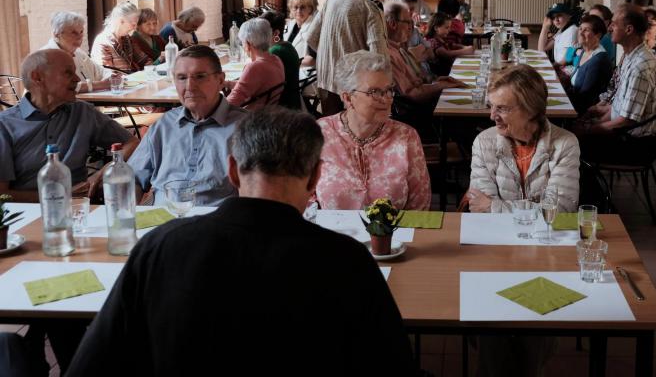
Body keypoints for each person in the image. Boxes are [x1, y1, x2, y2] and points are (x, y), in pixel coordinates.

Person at [68, 107, 416, 376]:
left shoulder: (160, 248)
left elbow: (93, 365)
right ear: (315, 178)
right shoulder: (348, 261)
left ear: (232, 171)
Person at [0, 50, 137, 202]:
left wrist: (102, 174)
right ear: (37, 77)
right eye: (68, 73)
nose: (77, 79)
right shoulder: (5, 126)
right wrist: (59, 198)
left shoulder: (82, 112)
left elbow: (131, 143)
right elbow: (2, 195)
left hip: (80, 209)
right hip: (24, 216)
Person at [128, 46, 246, 206]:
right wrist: (131, 215)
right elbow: (132, 177)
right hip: (160, 219)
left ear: (220, 80)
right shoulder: (164, 125)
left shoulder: (247, 128)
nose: (190, 86)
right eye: (182, 78)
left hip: (214, 222)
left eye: (200, 76)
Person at [315, 51, 431, 211]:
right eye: (375, 92)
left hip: (393, 235)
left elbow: (420, 204)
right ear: (348, 98)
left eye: (389, 90)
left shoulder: (406, 136)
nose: (387, 99)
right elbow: (304, 200)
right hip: (331, 234)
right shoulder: (318, 134)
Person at [466, 64, 580, 213]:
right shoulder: (483, 142)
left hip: (545, 235)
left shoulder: (565, 144)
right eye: (491, 106)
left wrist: (493, 206)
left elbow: (560, 210)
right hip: (498, 235)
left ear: (530, 109)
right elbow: (480, 209)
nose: (492, 116)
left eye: (502, 108)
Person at [575, 3, 656, 151]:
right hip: (623, 133)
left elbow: (625, 122)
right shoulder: (630, 57)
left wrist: (588, 129)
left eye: (614, 24)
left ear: (629, 30)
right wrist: (597, 115)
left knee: (570, 141)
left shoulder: (640, 67)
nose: (609, 28)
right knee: (574, 127)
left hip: (634, 144)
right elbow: (623, 109)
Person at [307, 0, 389, 116]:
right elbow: (379, 55)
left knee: (331, 130)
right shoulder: (371, 7)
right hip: (354, 83)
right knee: (354, 133)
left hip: (326, 78)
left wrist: (332, 56)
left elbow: (311, 37)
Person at [384, 2, 465, 107]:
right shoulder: (388, 55)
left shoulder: (399, 49)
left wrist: (435, 81)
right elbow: (412, 95)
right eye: (408, 22)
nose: (411, 28)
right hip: (418, 112)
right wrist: (440, 86)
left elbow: (416, 82)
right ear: (393, 24)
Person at [41, 11, 113, 92]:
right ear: (57, 34)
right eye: (73, 33)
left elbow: (101, 71)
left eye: (81, 32)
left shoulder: (79, 53)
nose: (79, 37)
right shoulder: (45, 57)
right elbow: (65, 86)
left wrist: (111, 78)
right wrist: (101, 85)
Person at [225, 18, 285, 110]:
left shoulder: (254, 68)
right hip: (270, 113)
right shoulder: (276, 60)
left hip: (252, 118)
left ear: (248, 44)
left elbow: (231, 103)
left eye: (242, 43)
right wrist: (227, 83)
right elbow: (248, 85)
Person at [558, 15, 614, 114]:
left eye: (586, 30)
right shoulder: (585, 51)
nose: (581, 32)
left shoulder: (598, 60)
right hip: (574, 101)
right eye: (580, 29)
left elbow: (585, 97)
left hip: (584, 111)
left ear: (598, 35)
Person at [90, 1, 153, 73]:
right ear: (121, 21)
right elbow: (107, 76)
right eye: (133, 24)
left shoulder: (127, 39)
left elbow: (144, 60)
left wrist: (149, 68)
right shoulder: (102, 43)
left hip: (134, 82)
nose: (135, 28)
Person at [260, 11, 302, 111]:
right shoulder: (288, 45)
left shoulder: (275, 51)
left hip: (282, 106)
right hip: (293, 101)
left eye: (262, 32)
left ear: (276, 33)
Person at [393, 0, 435, 79]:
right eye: (405, 8)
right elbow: (404, 60)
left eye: (412, 9)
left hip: (428, 76)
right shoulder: (392, 30)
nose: (409, 12)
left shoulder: (414, 29)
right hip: (412, 80)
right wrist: (419, 50)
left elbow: (431, 53)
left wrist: (416, 54)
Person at [425, 11, 474, 76]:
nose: (449, 30)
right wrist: (465, 51)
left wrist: (463, 47)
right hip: (442, 75)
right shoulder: (432, 41)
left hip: (450, 71)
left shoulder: (440, 39)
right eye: (446, 27)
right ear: (436, 28)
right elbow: (447, 54)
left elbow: (452, 45)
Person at [283, 0, 317, 67]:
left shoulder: (314, 28)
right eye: (295, 7)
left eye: (302, 7)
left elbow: (312, 59)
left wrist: (288, 63)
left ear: (310, 9)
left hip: (305, 72)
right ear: (291, 9)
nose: (298, 11)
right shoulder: (290, 24)